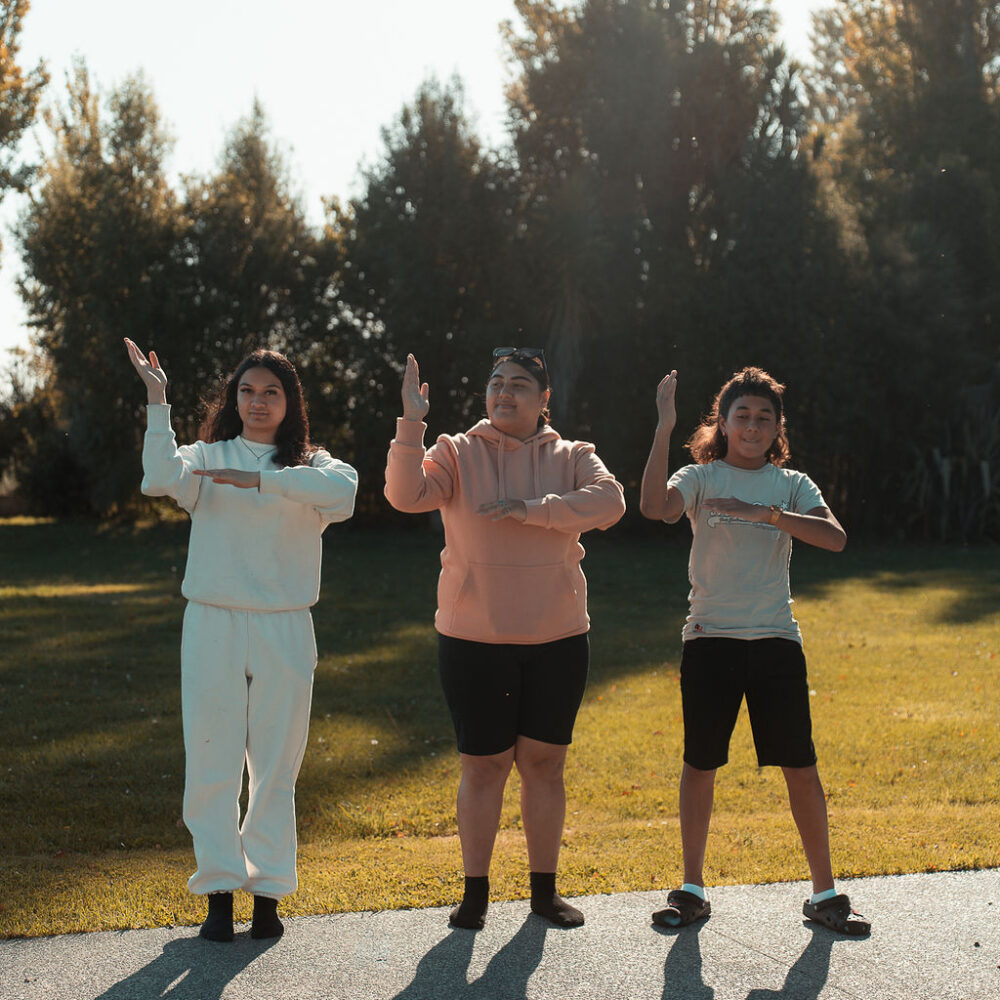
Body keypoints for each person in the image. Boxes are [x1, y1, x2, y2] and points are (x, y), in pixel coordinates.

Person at [125, 338, 358, 942]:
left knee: (277, 766)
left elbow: (346, 496)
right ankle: (220, 894)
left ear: (289, 402)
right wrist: (158, 402)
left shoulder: (316, 465)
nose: (257, 402)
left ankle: (269, 896)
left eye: (271, 392)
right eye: (247, 391)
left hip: (285, 623)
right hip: (213, 621)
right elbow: (157, 477)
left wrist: (265, 482)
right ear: (235, 397)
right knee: (211, 759)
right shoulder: (205, 456)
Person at [384, 347, 626, 930]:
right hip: (473, 639)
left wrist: (532, 509)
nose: (504, 392)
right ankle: (475, 893)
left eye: (520, 384)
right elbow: (404, 495)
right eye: (496, 382)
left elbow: (611, 502)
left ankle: (544, 894)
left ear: (544, 400)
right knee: (484, 766)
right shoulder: (456, 451)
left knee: (544, 765)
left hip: (557, 636)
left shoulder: (573, 456)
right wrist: (412, 423)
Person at [639, 365, 870, 935]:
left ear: (777, 427)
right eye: (742, 415)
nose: (752, 425)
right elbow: (652, 508)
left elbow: (834, 538)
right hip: (709, 639)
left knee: (801, 767)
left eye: (764, 417)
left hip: (775, 643)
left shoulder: (792, 485)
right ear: (723, 421)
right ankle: (691, 891)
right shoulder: (700, 476)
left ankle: (825, 895)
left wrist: (765, 514)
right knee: (701, 764)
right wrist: (663, 428)